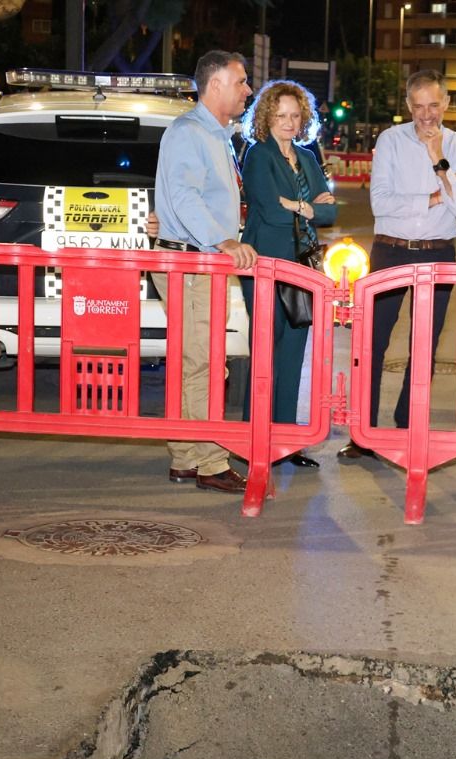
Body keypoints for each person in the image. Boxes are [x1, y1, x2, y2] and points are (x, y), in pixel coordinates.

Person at [341, 68, 456, 459]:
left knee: (424, 346)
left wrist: (439, 161)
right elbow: (380, 202)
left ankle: (406, 428)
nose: (427, 115)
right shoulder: (389, 140)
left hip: (437, 252)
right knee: (373, 343)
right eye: (418, 107)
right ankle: (363, 434)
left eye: (434, 106)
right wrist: (434, 198)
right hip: (389, 250)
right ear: (408, 106)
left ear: (446, 103)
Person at [151, 49, 256, 493]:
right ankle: (209, 462)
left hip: (201, 260)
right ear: (215, 85)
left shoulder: (215, 134)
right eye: (241, 81)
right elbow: (185, 196)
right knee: (204, 364)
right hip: (193, 260)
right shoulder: (189, 132)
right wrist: (224, 240)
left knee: (197, 363)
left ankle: (187, 455)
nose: (248, 90)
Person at [238, 79, 338, 468]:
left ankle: (287, 441)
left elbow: (330, 213)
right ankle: (255, 438)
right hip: (265, 264)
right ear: (266, 116)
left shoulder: (308, 159)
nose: (289, 122)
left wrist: (301, 206)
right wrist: (307, 205)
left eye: (295, 115)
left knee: (295, 351)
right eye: (281, 115)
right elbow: (270, 210)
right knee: (266, 352)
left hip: (302, 266)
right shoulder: (258, 156)